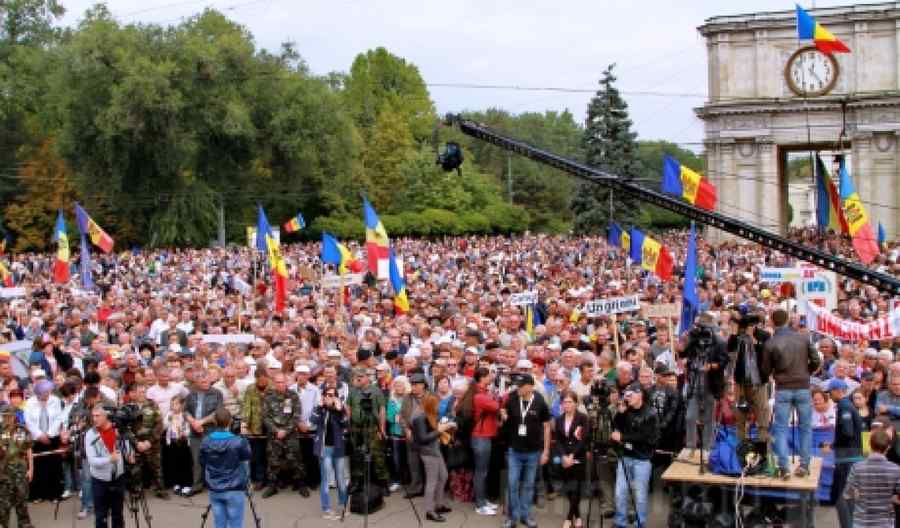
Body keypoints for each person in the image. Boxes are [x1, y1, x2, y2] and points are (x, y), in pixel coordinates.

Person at [761, 308, 820, 479]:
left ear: (772, 322)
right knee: (805, 428)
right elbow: (816, 360)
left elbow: (765, 370)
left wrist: (775, 373)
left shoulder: (771, 343)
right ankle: (804, 466)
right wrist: (806, 372)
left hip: (783, 388)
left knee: (780, 429)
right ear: (787, 320)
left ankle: (784, 467)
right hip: (802, 386)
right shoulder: (803, 338)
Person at [500, 374, 551, 528]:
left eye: (521, 386)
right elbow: (504, 411)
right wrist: (503, 415)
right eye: (517, 385)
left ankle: (526, 515)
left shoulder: (540, 401)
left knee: (528, 486)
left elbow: (547, 427)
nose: (518, 388)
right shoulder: (512, 399)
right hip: (514, 451)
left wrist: (546, 451)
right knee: (512, 483)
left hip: (533, 452)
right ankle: (512, 517)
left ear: (530, 386)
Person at [681, 313, 729, 457]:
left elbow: (724, 361)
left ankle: (708, 447)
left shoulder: (720, 341)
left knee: (709, 417)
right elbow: (683, 354)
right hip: (695, 381)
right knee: (690, 416)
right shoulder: (693, 339)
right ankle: (690, 446)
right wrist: (683, 342)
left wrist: (712, 366)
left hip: (710, 383)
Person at [611, 383, 658, 528]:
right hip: (625, 456)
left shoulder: (651, 413)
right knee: (620, 492)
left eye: (630, 395)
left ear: (640, 395)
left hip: (642, 459)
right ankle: (620, 522)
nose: (627, 398)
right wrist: (620, 413)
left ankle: (640, 523)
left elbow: (646, 437)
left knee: (640, 495)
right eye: (626, 395)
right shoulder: (626, 410)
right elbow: (616, 426)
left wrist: (623, 437)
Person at [821, 378, 864, 528]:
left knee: (842, 498)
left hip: (847, 460)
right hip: (849, 458)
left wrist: (833, 445)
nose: (829, 396)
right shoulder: (847, 405)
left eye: (830, 392)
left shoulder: (844, 407)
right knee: (845, 497)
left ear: (838, 391)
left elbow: (847, 432)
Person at [457, 367, 500, 516]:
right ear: (482, 378)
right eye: (489, 375)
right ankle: (480, 504)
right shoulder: (480, 396)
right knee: (481, 472)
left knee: (482, 471)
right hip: (481, 438)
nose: (492, 377)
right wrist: (498, 396)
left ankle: (483, 500)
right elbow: (497, 406)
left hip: (481, 437)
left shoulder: (478, 393)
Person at [727, 309, 770, 457]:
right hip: (741, 382)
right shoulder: (738, 336)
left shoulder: (764, 335)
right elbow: (730, 348)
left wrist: (754, 340)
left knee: (762, 413)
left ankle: (762, 448)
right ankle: (741, 447)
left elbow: (766, 354)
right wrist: (734, 334)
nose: (749, 328)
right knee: (740, 414)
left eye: (751, 325)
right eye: (746, 326)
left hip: (759, 382)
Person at [199, 407, 251, 528]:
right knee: (235, 523)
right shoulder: (238, 441)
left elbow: (202, 461)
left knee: (219, 523)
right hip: (234, 487)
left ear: (214, 421)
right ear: (230, 422)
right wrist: (244, 437)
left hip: (215, 487)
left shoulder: (206, 441)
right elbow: (247, 456)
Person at [86, 404, 134, 528]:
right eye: (93, 416)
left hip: (118, 478)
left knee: (118, 514)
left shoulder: (118, 429)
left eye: (98, 416)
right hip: (100, 481)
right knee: (101, 516)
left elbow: (127, 447)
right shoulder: (90, 434)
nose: (94, 419)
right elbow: (92, 460)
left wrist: (130, 455)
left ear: (106, 416)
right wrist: (109, 459)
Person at [261, 371, 307, 498]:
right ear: (274, 383)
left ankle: (301, 484)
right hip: (274, 435)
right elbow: (265, 417)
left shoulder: (293, 396)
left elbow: (296, 415)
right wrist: (276, 430)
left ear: (286, 382)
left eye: (282, 382)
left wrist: (286, 430)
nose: (280, 384)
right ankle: (272, 485)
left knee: (296, 460)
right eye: (277, 382)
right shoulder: (268, 397)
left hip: (290, 434)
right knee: (273, 461)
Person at [347, 367, 391, 495]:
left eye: (361, 376)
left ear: (367, 378)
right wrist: (348, 424)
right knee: (357, 456)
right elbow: (348, 406)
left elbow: (382, 410)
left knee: (378, 456)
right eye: (357, 376)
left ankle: (383, 483)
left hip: (372, 428)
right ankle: (358, 482)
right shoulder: (353, 391)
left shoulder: (376, 391)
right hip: (356, 428)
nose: (358, 378)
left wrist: (382, 429)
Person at [843, 429, 900, 528]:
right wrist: (892, 498)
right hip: (885, 523)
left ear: (869, 444)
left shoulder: (856, 467)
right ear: (888, 447)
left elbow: (847, 494)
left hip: (861, 523)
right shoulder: (895, 469)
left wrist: (858, 494)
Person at [412, 393, 454, 523]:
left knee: (443, 476)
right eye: (437, 404)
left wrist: (446, 425)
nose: (439, 406)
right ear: (431, 405)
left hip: (435, 450)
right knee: (432, 481)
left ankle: (439, 504)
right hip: (428, 453)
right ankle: (429, 511)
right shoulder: (420, 418)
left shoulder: (430, 415)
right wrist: (440, 430)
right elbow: (423, 438)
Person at [23, 378, 65, 502]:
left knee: (54, 466)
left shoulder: (55, 400)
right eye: (45, 393)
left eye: (48, 392)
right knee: (38, 466)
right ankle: (38, 495)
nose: (47, 395)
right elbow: (29, 421)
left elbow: (58, 418)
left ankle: (54, 494)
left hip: (52, 437)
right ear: (38, 393)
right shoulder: (29, 403)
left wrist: (49, 433)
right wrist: (40, 435)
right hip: (36, 439)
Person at [311, 386, 349, 520]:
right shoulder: (320, 409)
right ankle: (326, 509)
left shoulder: (340, 409)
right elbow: (313, 421)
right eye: (326, 394)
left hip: (338, 448)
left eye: (332, 395)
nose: (328, 397)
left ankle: (343, 505)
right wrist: (319, 406)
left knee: (340, 478)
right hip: (324, 448)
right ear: (323, 396)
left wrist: (340, 410)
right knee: (326, 479)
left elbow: (346, 424)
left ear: (336, 397)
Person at [124, 383, 168, 499]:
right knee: (135, 469)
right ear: (134, 393)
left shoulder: (153, 404)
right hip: (136, 444)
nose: (142, 394)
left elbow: (159, 425)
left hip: (152, 443)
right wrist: (136, 442)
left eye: (144, 392)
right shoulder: (128, 407)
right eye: (140, 392)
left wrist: (149, 441)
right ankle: (137, 491)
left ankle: (160, 490)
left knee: (156, 468)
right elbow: (125, 427)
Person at [185, 370, 224, 496]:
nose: (206, 384)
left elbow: (218, 412)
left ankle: (215, 485)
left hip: (211, 430)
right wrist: (193, 422)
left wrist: (201, 422)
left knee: (214, 459)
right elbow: (186, 411)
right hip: (195, 431)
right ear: (196, 382)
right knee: (196, 460)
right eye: (202, 382)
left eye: (207, 381)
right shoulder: (191, 394)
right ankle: (197, 486)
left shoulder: (217, 393)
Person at [554, 391, 589, 528]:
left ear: (576, 403)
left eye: (570, 402)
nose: (567, 405)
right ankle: (578, 515)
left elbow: (583, 440)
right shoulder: (559, 419)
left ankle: (569, 518)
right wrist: (563, 455)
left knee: (576, 487)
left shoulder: (583, 418)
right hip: (564, 457)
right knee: (568, 487)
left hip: (578, 456)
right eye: (565, 402)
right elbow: (558, 440)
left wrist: (572, 455)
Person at [0, 404, 33, 528]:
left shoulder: (21, 430)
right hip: (3, 472)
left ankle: (24, 524)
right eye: (5, 416)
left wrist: (31, 469)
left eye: (9, 416)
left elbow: (28, 450)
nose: (7, 419)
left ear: (14, 416)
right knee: (3, 502)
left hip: (20, 471)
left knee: (22, 499)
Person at [400, 372, 428, 498]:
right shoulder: (407, 398)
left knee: (427, 463)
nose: (413, 387)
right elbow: (402, 416)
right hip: (411, 433)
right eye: (412, 384)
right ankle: (416, 487)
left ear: (423, 385)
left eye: (416, 384)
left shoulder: (431, 396)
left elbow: (435, 416)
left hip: (426, 434)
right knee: (413, 463)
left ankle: (428, 488)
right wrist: (406, 429)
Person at [240, 369, 269, 490]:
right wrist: (245, 424)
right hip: (255, 427)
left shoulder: (273, 387)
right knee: (257, 455)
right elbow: (247, 407)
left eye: (264, 380)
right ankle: (259, 479)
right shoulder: (250, 389)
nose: (262, 382)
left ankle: (271, 479)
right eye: (259, 380)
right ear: (256, 379)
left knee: (269, 455)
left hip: (271, 426)